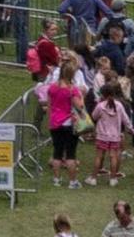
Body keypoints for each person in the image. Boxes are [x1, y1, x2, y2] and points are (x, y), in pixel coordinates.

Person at [47, 57, 87, 188]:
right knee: (71, 153)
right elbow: (80, 107)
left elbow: (49, 105)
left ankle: (56, 179)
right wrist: (81, 97)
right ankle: (72, 181)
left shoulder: (52, 88)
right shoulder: (72, 90)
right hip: (69, 123)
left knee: (57, 152)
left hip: (55, 123)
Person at [88, 76, 132, 186]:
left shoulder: (100, 106)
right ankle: (113, 178)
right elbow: (125, 119)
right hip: (115, 136)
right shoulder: (119, 105)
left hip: (102, 135)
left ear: (103, 95)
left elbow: (93, 116)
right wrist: (131, 129)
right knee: (113, 156)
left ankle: (93, 178)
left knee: (99, 156)